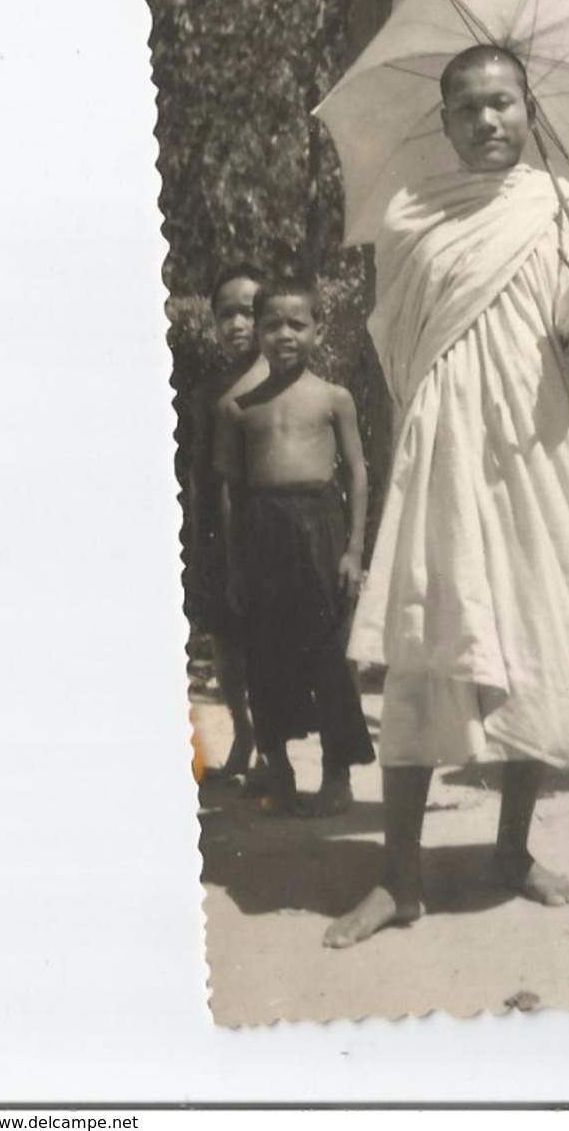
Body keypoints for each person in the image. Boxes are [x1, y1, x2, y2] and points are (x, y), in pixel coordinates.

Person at [324, 43, 569, 949]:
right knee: (428, 646)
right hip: (442, 453)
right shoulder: (413, 214)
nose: (487, 121)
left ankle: (511, 849)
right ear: (445, 119)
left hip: (536, 453)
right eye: (468, 108)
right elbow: (397, 346)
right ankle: (397, 877)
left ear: (528, 108)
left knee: (538, 633)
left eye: (502, 103)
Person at [216, 276, 375, 817]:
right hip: (263, 532)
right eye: (271, 325)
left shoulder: (335, 398)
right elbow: (232, 492)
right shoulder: (239, 407)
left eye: (297, 323)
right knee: (267, 655)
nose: (284, 334)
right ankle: (279, 771)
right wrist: (236, 568)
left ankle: (337, 775)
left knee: (330, 654)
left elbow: (356, 473)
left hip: (320, 528)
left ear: (318, 330)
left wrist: (353, 549)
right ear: (258, 333)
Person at [184, 262, 268, 784]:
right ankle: (243, 732)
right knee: (226, 648)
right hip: (219, 527)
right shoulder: (208, 392)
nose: (237, 323)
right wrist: (195, 541)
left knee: (265, 643)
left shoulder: (279, 381)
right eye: (226, 314)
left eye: (249, 312)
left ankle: (271, 751)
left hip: (265, 525)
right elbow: (197, 472)